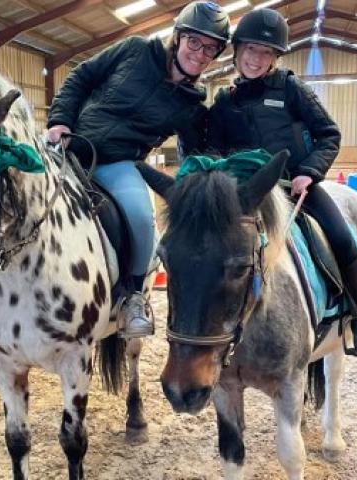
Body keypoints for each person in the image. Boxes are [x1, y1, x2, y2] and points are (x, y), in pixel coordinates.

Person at [205, 8, 357, 356]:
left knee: (342, 238)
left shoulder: (290, 88)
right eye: (251, 50)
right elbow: (213, 146)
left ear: (275, 57)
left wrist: (310, 172)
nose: (256, 59)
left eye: (266, 52)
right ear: (237, 50)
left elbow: (328, 133)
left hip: (295, 186)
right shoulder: (225, 101)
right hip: (247, 195)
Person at [47, 1, 230, 338]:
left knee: (142, 219)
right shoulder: (133, 50)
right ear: (177, 37)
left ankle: (132, 296)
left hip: (118, 165)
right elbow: (81, 78)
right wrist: (60, 121)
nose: (200, 53)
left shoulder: (191, 107)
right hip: (71, 145)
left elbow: (197, 153)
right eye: (194, 42)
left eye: (210, 49)